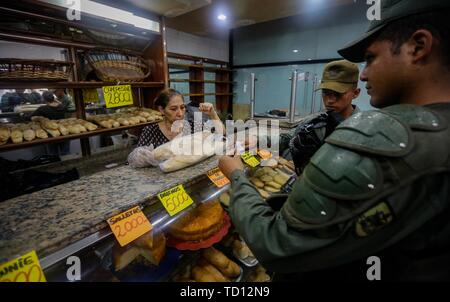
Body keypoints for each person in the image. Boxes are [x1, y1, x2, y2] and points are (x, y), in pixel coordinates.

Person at [218, 0, 450, 281]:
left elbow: (276, 244)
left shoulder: (375, 137)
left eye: (372, 58)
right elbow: (293, 137)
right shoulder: (431, 129)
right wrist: (259, 140)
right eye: (325, 92)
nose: (365, 73)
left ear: (418, 46)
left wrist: (237, 177)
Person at [279, 60, 361, 174]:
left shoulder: (364, 131)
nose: (330, 100)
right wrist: (258, 139)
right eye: (325, 92)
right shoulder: (314, 121)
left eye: (337, 94)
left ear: (355, 93)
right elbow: (289, 138)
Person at [128, 89, 222, 167]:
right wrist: (149, 157)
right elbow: (137, 161)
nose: (180, 113)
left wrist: (213, 114)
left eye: (182, 107)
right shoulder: (150, 131)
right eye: (173, 109)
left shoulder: (193, 126)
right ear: (161, 109)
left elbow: (220, 134)